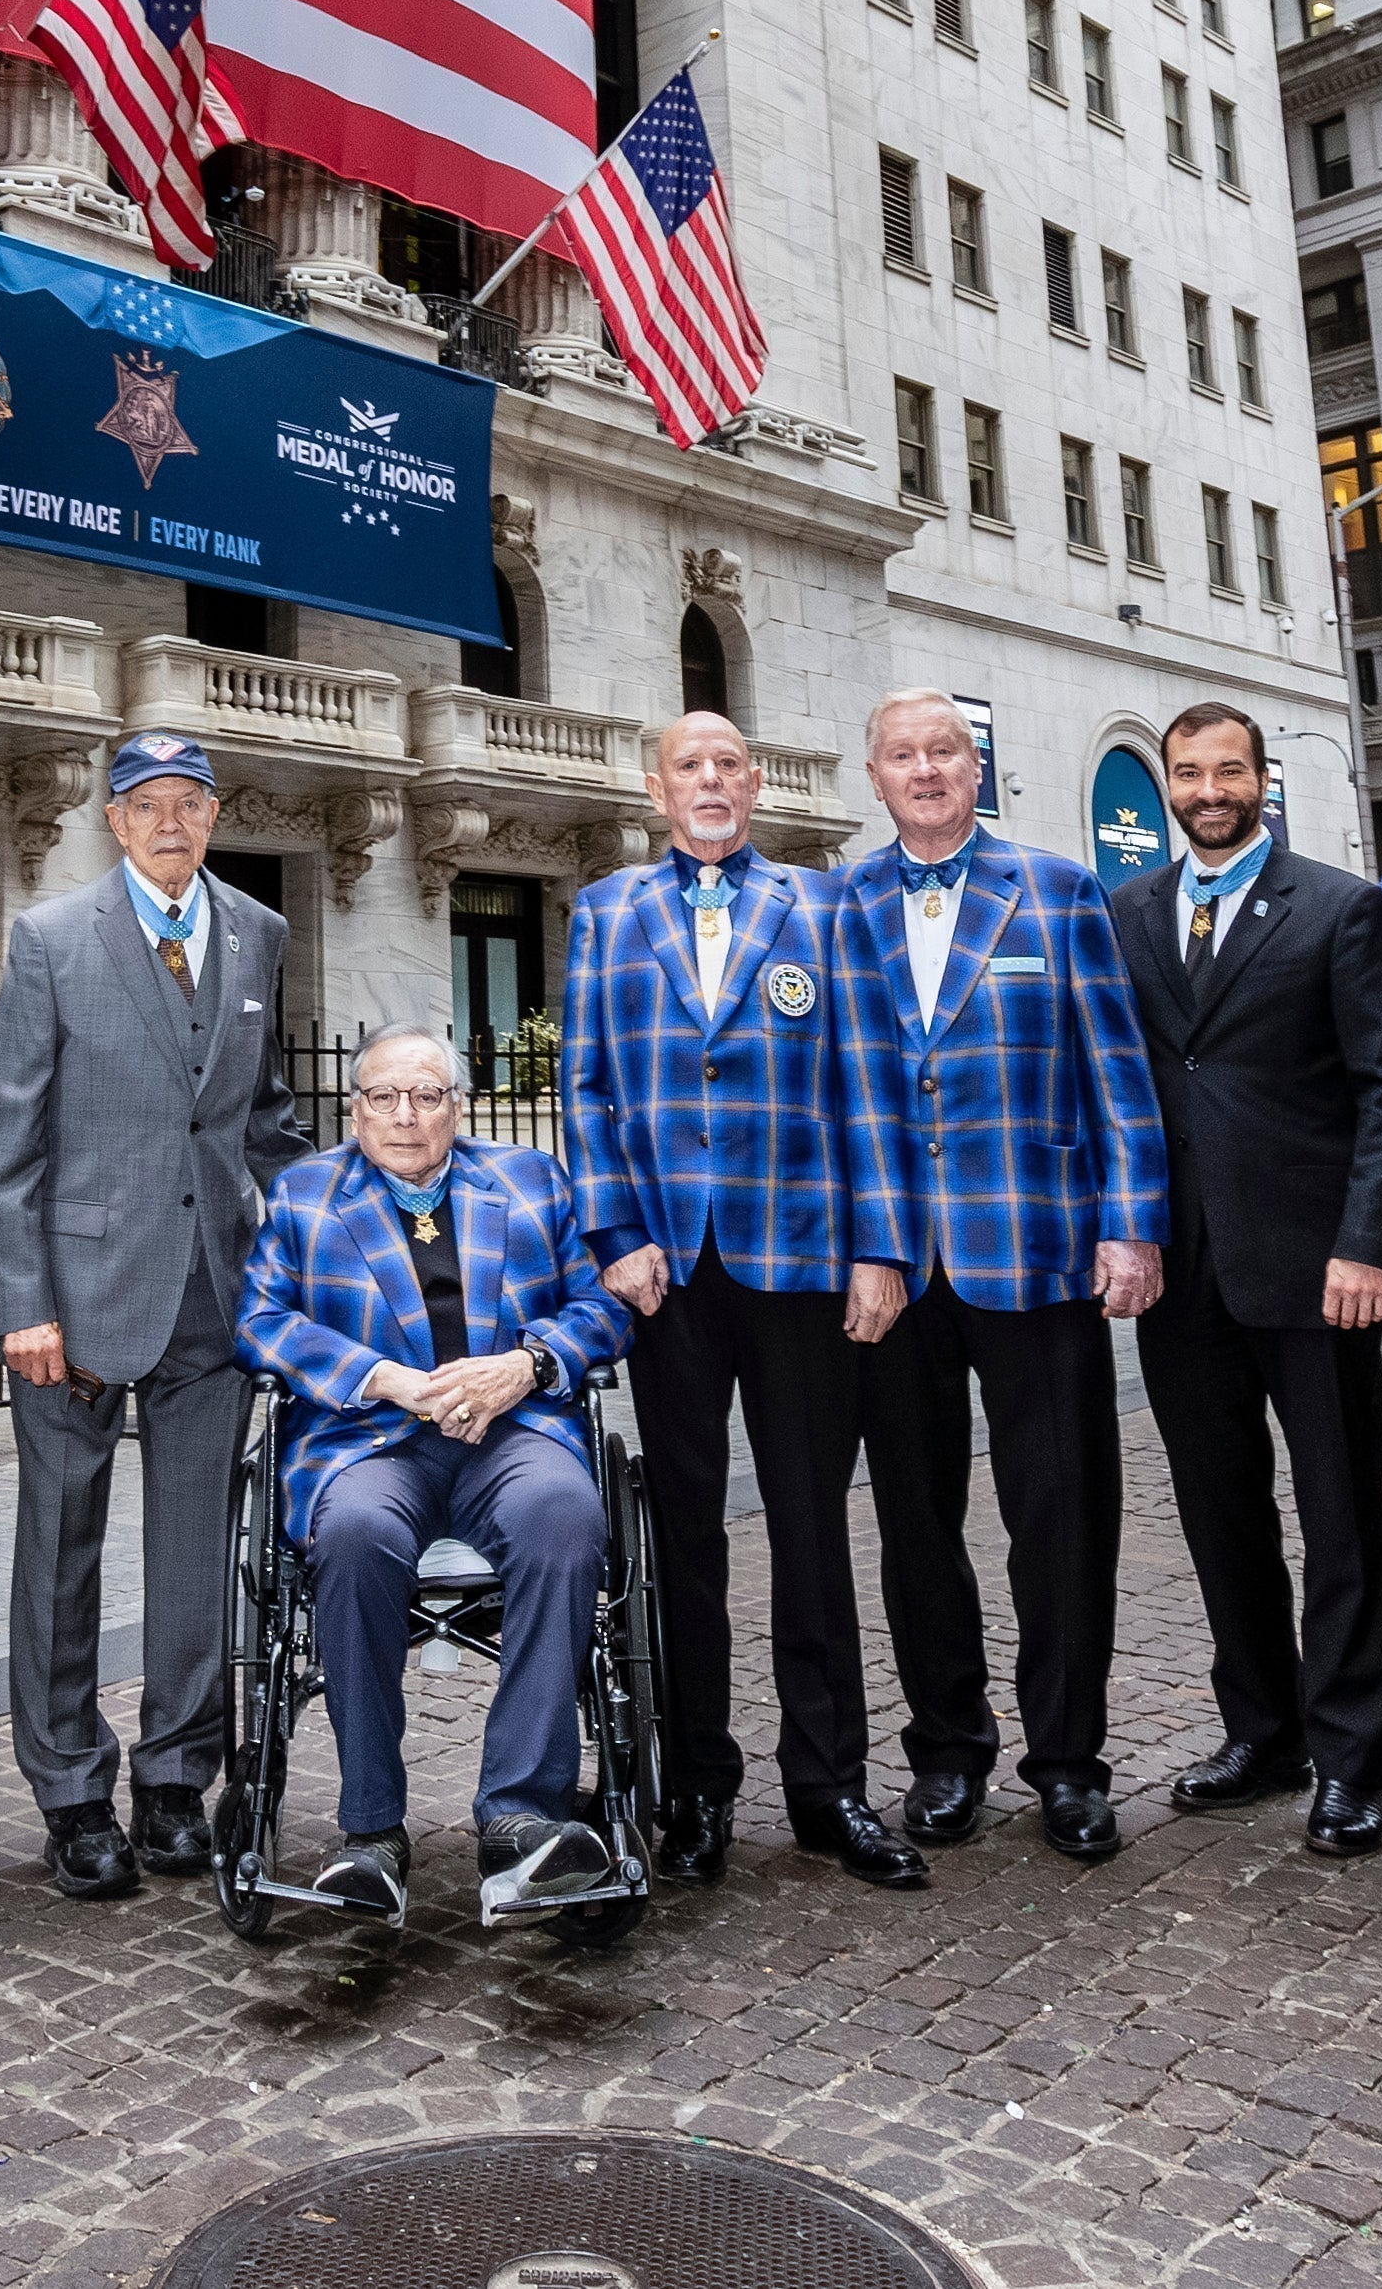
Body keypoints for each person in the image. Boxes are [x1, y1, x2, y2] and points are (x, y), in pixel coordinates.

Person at [559, 711, 926, 1889]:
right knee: (683, 1534)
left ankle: (827, 1785)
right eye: (689, 766)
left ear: (753, 784)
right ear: (655, 789)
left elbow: (869, 1084)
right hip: (664, 1273)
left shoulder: (822, 906)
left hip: (800, 1261)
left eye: (727, 764)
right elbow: (586, 1086)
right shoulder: (604, 910)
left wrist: (880, 1248)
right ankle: (695, 1785)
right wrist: (612, 1234)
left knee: (811, 1526)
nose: (709, 780)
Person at [827, 687, 1168, 1864]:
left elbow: (1116, 1070)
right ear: (874, 775)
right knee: (915, 1525)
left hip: (1038, 1249)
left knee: (1061, 1519)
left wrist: (1130, 1225)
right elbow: (832, 1090)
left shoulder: (1057, 889)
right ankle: (946, 1750)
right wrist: (859, 1242)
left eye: (944, 751)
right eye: (902, 753)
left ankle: (1068, 1763)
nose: (924, 769)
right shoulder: (836, 904)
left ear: (974, 768)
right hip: (892, 1269)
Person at [0, 733, 305, 1902]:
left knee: (194, 1555)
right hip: (72, 1308)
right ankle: (71, 1792)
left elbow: (265, 1119)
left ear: (214, 813)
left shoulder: (260, 931)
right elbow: (8, 1142)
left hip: (211, 1296)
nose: (170, 821)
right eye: (145, 804)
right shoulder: (49, 937)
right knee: (58, 1552)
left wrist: (347, 1223)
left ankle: (175, 1778)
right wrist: (22, 1303)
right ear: (112, 820)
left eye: (189, 801)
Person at [1110, 700, 1382, 1860]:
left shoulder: (1340, 906)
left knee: (1340, 1515)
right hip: (1178, 1267)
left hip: (1316, 1268)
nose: (1208, 788)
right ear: (1166, 785)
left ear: (1261, 780)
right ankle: (1261, 1730)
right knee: (1218, 1510)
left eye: (1227, 769)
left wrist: (1369, 1244)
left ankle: (1350, 1763)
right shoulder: (1125, 910)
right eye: (1187, 771)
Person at [234, 1026, 639, 1927]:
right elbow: (259, 1322)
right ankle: (371, 1829)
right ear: (355, 1110)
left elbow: (600, 1307)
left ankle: (521, 1815)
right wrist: (379, 1376)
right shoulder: (305, 1194)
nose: (405, 1115)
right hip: (368, 1440)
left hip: (510, 1432)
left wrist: (525, 1364)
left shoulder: (529, 1180)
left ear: (458, 1105)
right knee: (351, 1534)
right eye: (383, 1096)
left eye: (426, 1095)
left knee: (565, 1515)